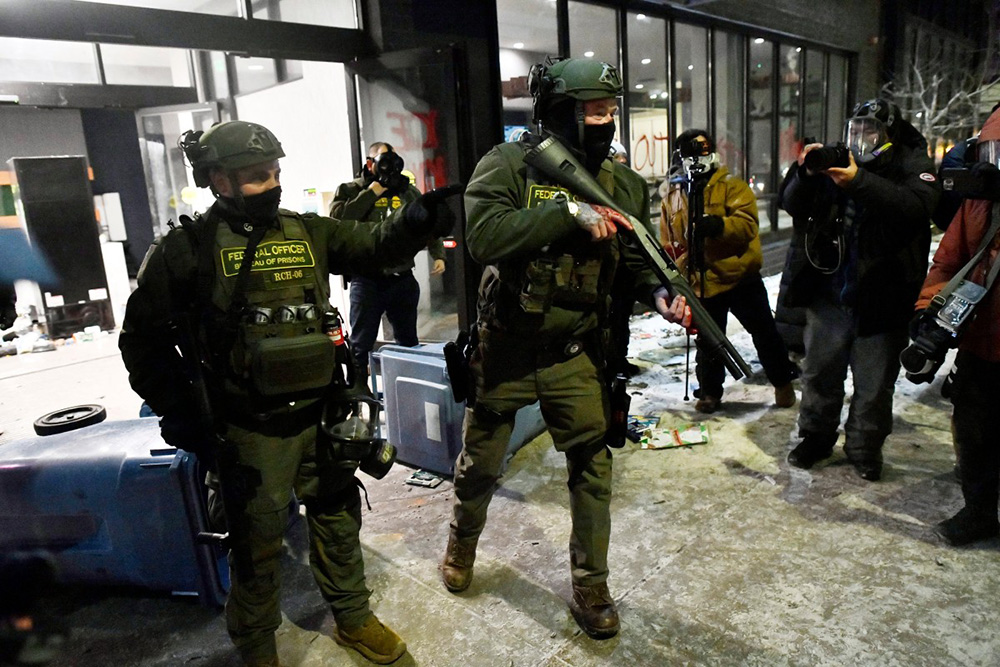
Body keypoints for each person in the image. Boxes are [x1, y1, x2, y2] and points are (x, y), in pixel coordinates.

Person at [119, 120, 452, 667]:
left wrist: (417, 220)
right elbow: (142, 344)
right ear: (218, 180)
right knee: (255, 541)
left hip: (324, 413)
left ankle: (352, 617)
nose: (271, 185)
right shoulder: (186, 250)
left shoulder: (307, 231)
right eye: (255, 177)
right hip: (248, 427)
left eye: (275, 173)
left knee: (338, 518)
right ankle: (256, 641)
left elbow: (372, 246)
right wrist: (183, 417)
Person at [440, 57, 690, 640]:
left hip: (573, 354)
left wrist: (660, 292)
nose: (604, 120)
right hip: (504, 351)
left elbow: (633, 262)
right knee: (479, 465)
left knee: (592, 469)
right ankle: (461, 544)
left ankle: (591, 585)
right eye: (592, 110)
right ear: (559, 112)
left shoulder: (623, 183)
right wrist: (565, 214)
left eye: (609, 110)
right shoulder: (509, 165)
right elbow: (482, 238)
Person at [778, 98, 940, 481]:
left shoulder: (912, 164)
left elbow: (914, 209)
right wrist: (804, 173)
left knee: (873, 386)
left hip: (883, 297)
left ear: (888, 134)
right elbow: (791, 203)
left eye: (871, 130)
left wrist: (858, 181)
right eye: (857, 129)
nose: (861, 138)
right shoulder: (838, 159)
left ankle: (865, 448)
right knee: (819, 374)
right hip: (829, 292)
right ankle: (815, 439)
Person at [661, 129, 797, 413]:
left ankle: (782, 383)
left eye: (702, 154)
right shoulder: (674, 196)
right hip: (701, 281)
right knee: (709, 342)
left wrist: (719, 226)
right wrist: (680, 270)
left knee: (765, 334)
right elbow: (669, 241)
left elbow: (747, 226)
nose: (697, 162)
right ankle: (710, 392)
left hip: (739, 278)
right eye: (690, 156)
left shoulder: (732, 187)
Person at [914, 106, 1000, 546]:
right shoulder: (978, 202)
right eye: (992, 152)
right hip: (980, 343)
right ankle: (980, 513)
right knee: (974, 431)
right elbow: (949, 260)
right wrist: (927, 311)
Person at [330, 142, 446, 375]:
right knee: (360, 345)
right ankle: (359, 397)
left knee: (409, 343)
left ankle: (408, 393)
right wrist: (371, 192)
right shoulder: (351, 189)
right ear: (369, 163)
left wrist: (438, 253)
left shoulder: (406, 191)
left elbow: (425, 219)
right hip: (366, 280)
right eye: (383, 161)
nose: (389, 167)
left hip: (401, 279)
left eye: (393, 161)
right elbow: (337, 221)